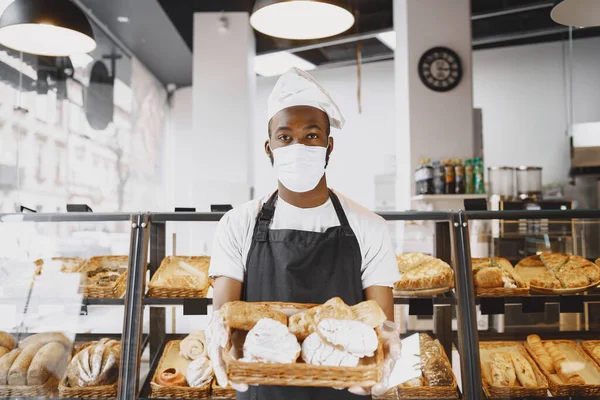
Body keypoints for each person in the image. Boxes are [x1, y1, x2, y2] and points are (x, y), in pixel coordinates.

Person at [206, 68, 401, 400]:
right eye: (285, 137)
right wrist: (218, 343)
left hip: (345, 388)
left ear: (329, 145)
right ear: (269, 148)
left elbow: (380, 320)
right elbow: (225, 318)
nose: (298, 146)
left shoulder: (369, 225)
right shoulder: (237, 223)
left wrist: (387, 346)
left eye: (311, 136)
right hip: (260, 388)